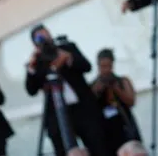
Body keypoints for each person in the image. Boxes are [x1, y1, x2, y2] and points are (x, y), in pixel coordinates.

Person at [25, 24, 109, 156]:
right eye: (41, 38)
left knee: (98, 146)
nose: (46, 39)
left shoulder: (67, 48)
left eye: (47, 35)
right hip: (57, 114)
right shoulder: (36, 61)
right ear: (35, 43)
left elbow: (87, 67)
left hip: (83, 109)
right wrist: (31, 68)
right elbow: (31, 90)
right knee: (64, 150)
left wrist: (68, 57)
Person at [91, 48, 142, 155]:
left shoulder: (122, 81)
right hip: (105, 130)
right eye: (102, 66)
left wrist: (116, 89)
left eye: (108, 66)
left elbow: (131, 101)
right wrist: (97, 90)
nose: (105, 70)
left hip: (125, 126)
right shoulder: (93, 85)